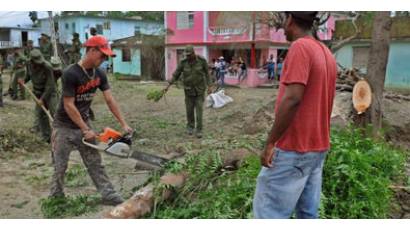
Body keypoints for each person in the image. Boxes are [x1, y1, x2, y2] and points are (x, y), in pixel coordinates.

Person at [253, 11, 337, 219]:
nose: (282, 27)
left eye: (283, 21)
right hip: (317, 149)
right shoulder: (325, 52)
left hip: (293, 149)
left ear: (290, 19)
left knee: (269, 214)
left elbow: (292, 99)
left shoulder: (300, 47)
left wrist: (270, 143)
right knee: (307, 214)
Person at [50, 35, 132, 205]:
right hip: (63, 126)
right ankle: (56, 198)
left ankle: (108, 194)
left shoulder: (100, 74)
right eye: (102, 55)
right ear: (91, 51)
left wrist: (123, 124)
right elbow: (69, 105)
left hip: (84, 123)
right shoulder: (70, 73)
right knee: (60, 165)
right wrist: (85, 129)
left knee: (95, 162)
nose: (104, 59)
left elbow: (110, 99)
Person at [164, 45, 212, 138]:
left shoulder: (202, 61)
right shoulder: (183, 62)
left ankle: (199, 130)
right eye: (187, 55)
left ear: (194, 53)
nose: (188, 57)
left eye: (189, 55)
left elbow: (207, 73)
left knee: (199, 111)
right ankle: (190, 127)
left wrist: (209, 86)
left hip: (199, 90)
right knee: (189, 111)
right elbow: (176, 75)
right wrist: (168, 85)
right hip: (188, 90)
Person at [18, 49, 58, 142]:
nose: (39, 63)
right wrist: (24, 80)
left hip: (49, 93)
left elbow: (50, 85)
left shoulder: (47, 66)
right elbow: (29, 75)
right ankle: (46, 137)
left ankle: (60, 137)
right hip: (38, 93)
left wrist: (43, 99)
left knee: (55, 114)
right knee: (41, 115)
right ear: (31, 60)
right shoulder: (29, 64)